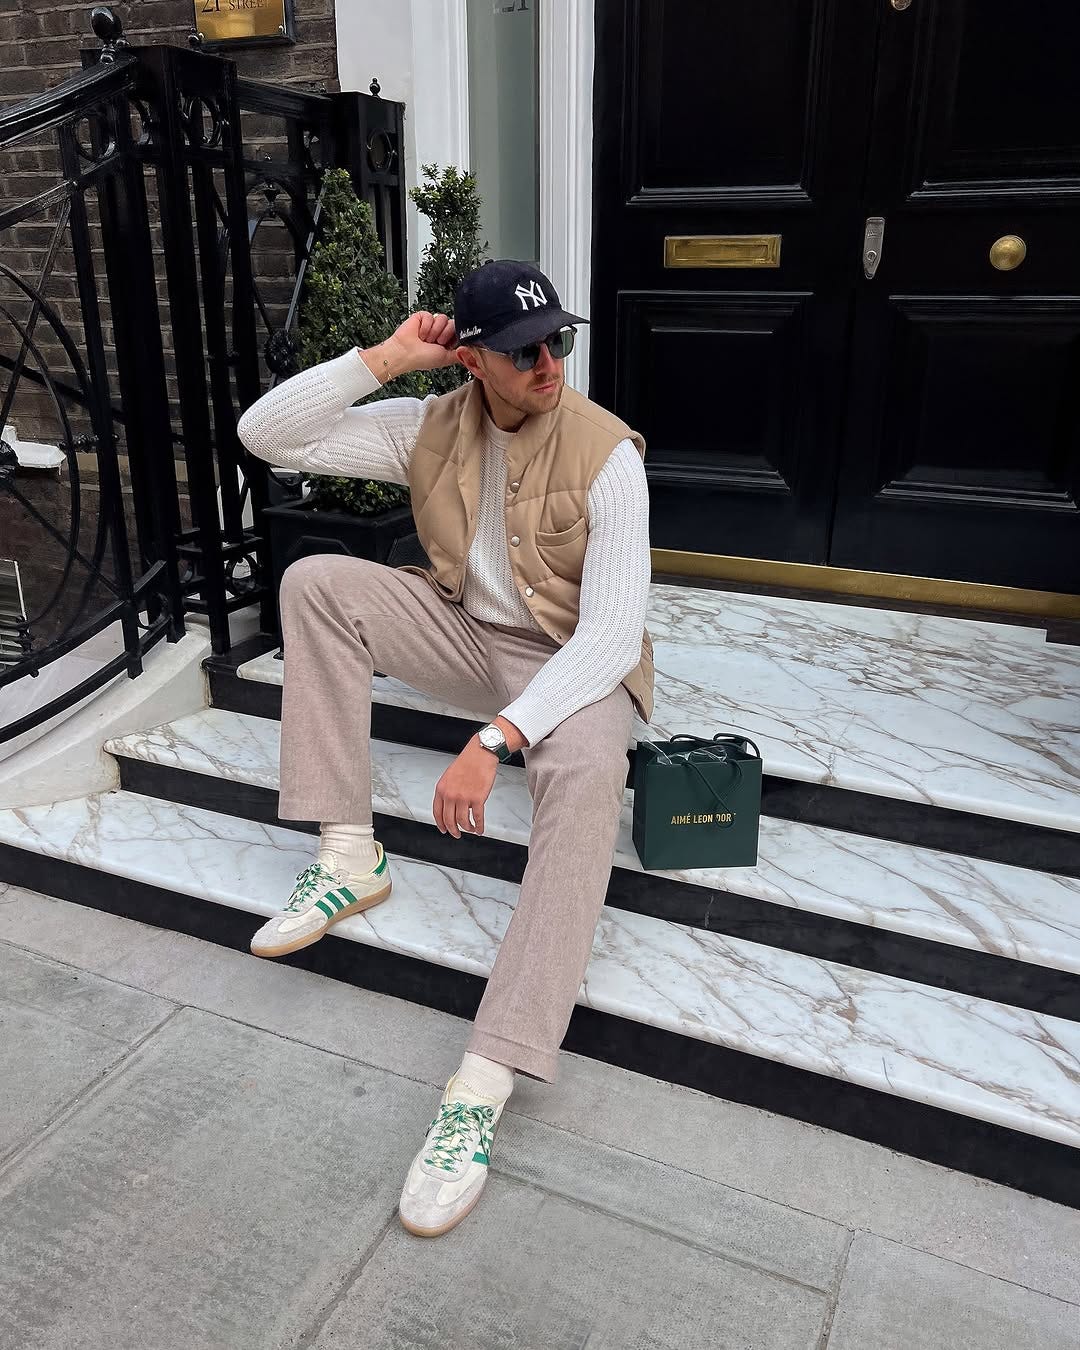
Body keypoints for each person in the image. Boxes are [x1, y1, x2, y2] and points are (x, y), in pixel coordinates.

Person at [237, 259, 654, 1238]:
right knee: (315, 584)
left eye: (557, 339)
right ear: (470, 360)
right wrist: (381, 359)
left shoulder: (608, 456)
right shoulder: (429, 429)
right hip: (468, 637)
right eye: (520, 350)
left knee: (591, 767)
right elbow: (265, 436)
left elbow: (606, 636)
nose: (548, 363)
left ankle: (483, 1081)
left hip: (572, 659)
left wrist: (496, 742)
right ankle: (349, 854)